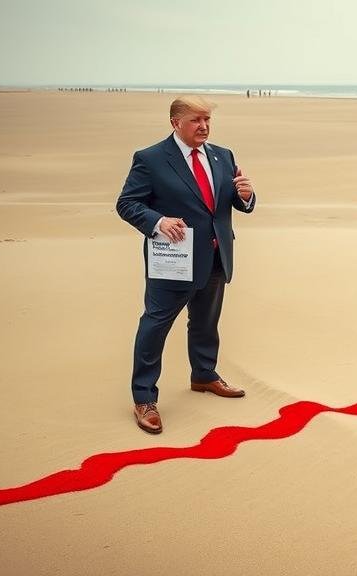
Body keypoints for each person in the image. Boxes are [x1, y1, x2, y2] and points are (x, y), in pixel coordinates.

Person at [116, 96, 257, 434]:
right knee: (155, 326)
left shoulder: (223, 156)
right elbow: (127, 203)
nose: (204, 126)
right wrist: (158, 221)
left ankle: (204, 375)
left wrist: (247, 196)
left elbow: (225, 204)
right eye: (196, 120)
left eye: (207, 120)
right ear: (175, 122)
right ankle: (144, 398)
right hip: (173, 261)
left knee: (206, 322)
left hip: (216, 256)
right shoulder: (150, 158)